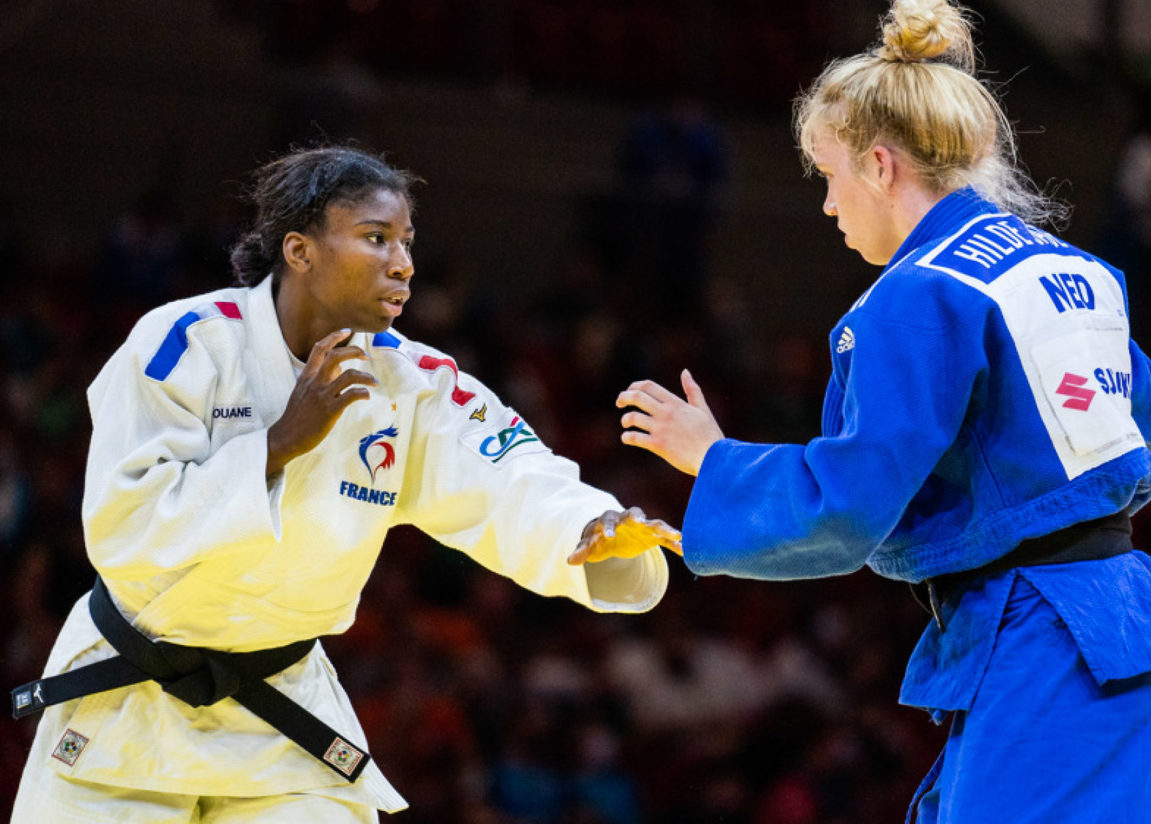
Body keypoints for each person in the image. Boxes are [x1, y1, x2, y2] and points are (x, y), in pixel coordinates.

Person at [609, 0, 1151, 823]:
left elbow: (852, 503)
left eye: (830, 175)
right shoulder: (1073, 270)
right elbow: (1143, 417)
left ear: (881, 165)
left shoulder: (915, 296)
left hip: (1043, 639)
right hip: (1116, 628)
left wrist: (715, 459)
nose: (827, 205)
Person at [9, 145, 680, 823]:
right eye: (375, 238)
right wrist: (277, 444)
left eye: (407, 242)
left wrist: (588, 526)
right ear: (300, 251)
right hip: (130, 711)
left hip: (280, 719)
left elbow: (509, 474)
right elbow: (125, 526)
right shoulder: (189, 343)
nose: (403, 263)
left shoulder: (410, 382)